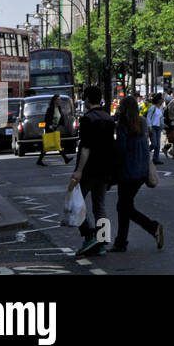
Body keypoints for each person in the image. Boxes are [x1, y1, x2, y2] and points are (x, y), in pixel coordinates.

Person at [110, 96, 163, 253]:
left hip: (128, 172)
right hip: (141, 171)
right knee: (125, 206)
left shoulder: (123, 125)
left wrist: (112, 173)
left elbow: (121, 150)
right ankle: (120, 242)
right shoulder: (142, 121)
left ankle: (153, 227)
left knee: (123, 207)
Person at [70, 85, 114, 258]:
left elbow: (86, 147)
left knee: (76, 203)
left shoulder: (87, 119)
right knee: (100, 206)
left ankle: (89, 236)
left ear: (87, 99)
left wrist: (79, 170)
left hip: (89, 169)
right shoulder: (108, 118)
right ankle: (103, 242)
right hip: (105, 169)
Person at [36, 93, 70, 167]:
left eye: (60, 99)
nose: (60, 100)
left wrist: (61, 125)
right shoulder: (50, 109)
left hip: (56, 128)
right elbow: (46, 119)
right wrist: (50, 125)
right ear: (55, 101)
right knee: (53, 145)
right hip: (50, 129)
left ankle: (39, 160)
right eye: (58, 99)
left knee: (51, 145)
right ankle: (66, 158)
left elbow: (61, 118)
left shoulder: (59, 108)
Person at [147, 92, 165, 165]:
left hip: (158, 127)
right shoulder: (153, 107)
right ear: (159, 100)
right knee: (154, 144)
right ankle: (145, 152)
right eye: (162, 99)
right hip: (153, 127)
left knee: (158, 145)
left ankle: (156, 159)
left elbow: (161, 118)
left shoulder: (160, 108)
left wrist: (162, 126)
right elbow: (148, 117)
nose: (163, 100)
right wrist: (149, 126)